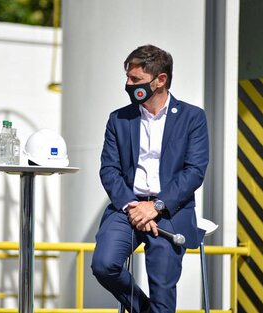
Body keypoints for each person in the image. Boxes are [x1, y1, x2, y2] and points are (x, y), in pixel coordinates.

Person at [91, 44, 209, 313]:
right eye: (128, 78)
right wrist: (134, 207)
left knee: (163, 290)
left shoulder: (192, 117)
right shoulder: (119, 119)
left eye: (135, 80)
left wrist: (155, 207)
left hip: (170, 211)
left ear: (160, 80)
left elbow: (194, 171)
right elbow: (109, 169)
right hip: (128, 209)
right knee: (103, 265)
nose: (128, 84)